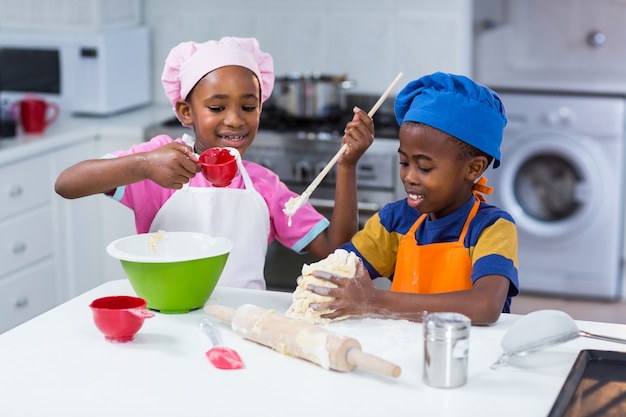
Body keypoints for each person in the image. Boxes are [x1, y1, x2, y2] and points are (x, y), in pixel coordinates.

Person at [54, 37, 374, 289]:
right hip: (168, 325)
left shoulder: (263, 185)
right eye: (217, 108)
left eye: (249, 106)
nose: (235, 120)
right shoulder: (160, 165)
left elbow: (338, 250)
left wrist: (347, 167)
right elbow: (67, 184)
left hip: (243, 328)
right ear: (185, 112)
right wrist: (143, 165)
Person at [304, 72, 519, 325]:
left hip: (470, 357)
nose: (409, 177)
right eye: (404, 162)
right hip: (404, 355)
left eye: (425, 168)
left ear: (473, 169)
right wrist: (347, 166)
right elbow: (336, 269)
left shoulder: (491, 228)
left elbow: (484, 306)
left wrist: (374, 302)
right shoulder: (395, 221)